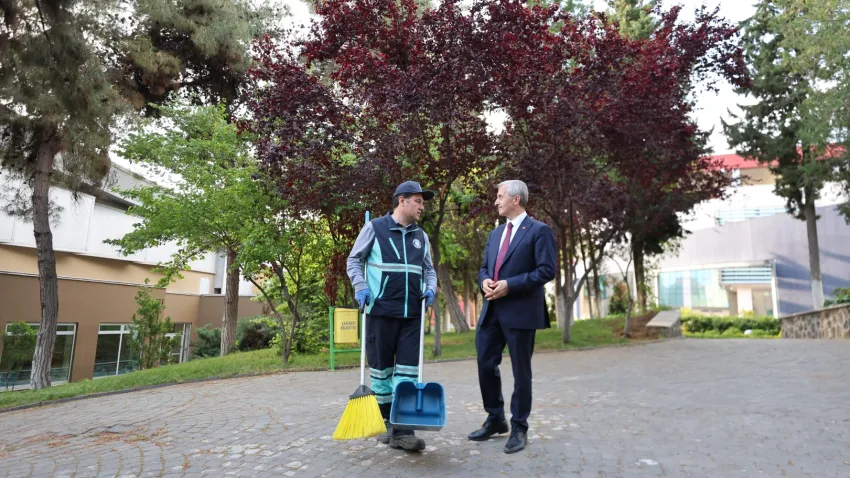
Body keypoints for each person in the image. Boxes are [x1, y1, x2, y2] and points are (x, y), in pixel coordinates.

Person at [346, 180, 438, 452]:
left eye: (423, 202)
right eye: (419, 201)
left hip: (412, 316)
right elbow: (353, 260)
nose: (422, 206)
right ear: (402, 201)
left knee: (407, 375)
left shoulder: (422, 236)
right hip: (381, 312)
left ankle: (403, 431)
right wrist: (360, 286)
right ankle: (386, 423)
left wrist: (431, 287)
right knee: (381, 374)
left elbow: (429, 269)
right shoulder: (374, 228)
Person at [468, 179, 557, 454]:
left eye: (499, 196)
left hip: (521, 312)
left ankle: (519, 427)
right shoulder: (495, 235)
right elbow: (484, 268)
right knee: (485, 363)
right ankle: (496, 419)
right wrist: (484, 281)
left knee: (521, 372)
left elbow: (546, 270)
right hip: (491, 310)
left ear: (515, 199)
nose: (496, 201)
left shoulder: (539, 231)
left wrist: (510, 284)